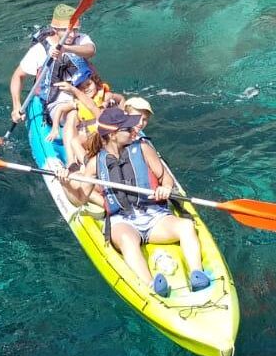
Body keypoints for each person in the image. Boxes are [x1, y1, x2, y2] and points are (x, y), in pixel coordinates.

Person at [54, 108, 212, 298]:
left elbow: (165, 177)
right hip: (123, 221)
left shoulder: (143, 149)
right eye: (128, 129)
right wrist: (66, 185)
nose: (133, 130)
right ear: (113, 135)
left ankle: (197, 274)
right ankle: (151, 285)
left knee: (186, 226)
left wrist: (166, 188)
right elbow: (79, 200)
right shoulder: (95, 163)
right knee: (128, 241)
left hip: (155, 217)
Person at [9, 3, 96, 125]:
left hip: (85, 90)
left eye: (75, 30)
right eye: (66, 30)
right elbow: (18, 76)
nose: (72, 34)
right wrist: (16, 105)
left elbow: (90, 51)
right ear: (54, 29)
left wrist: (66, 48)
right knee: (74, 116)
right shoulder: (40, 50)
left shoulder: (81, 39)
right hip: (59, 99)